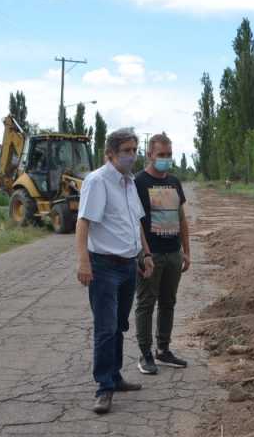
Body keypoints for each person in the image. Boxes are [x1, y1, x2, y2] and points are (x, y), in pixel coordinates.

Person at [75, 127, 155, 414]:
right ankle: (104, 387)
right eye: (126, 151)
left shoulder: (128, 182)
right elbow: (83, 222)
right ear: (110, 153)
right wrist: (83, 261)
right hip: (104, 267)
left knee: (119, 325)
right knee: (106, 328)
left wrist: (146, 254)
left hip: (128, 266)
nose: (132, 156)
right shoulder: (97, 181)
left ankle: (116, 376)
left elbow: (136, 223)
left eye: (134, 150)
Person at [134, 133, 191, 375]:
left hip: (173, 253)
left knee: (168, 303)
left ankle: (163, 350)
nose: (166, 159)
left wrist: (186, 251)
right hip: (151, 255)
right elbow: (135, 221)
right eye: (161, 155)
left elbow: (181, 218)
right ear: (150, 155)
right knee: (146, 303)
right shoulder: (139, 182)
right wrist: (144, 253)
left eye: (169, 155)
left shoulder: (174, 182)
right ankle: (145, 354)